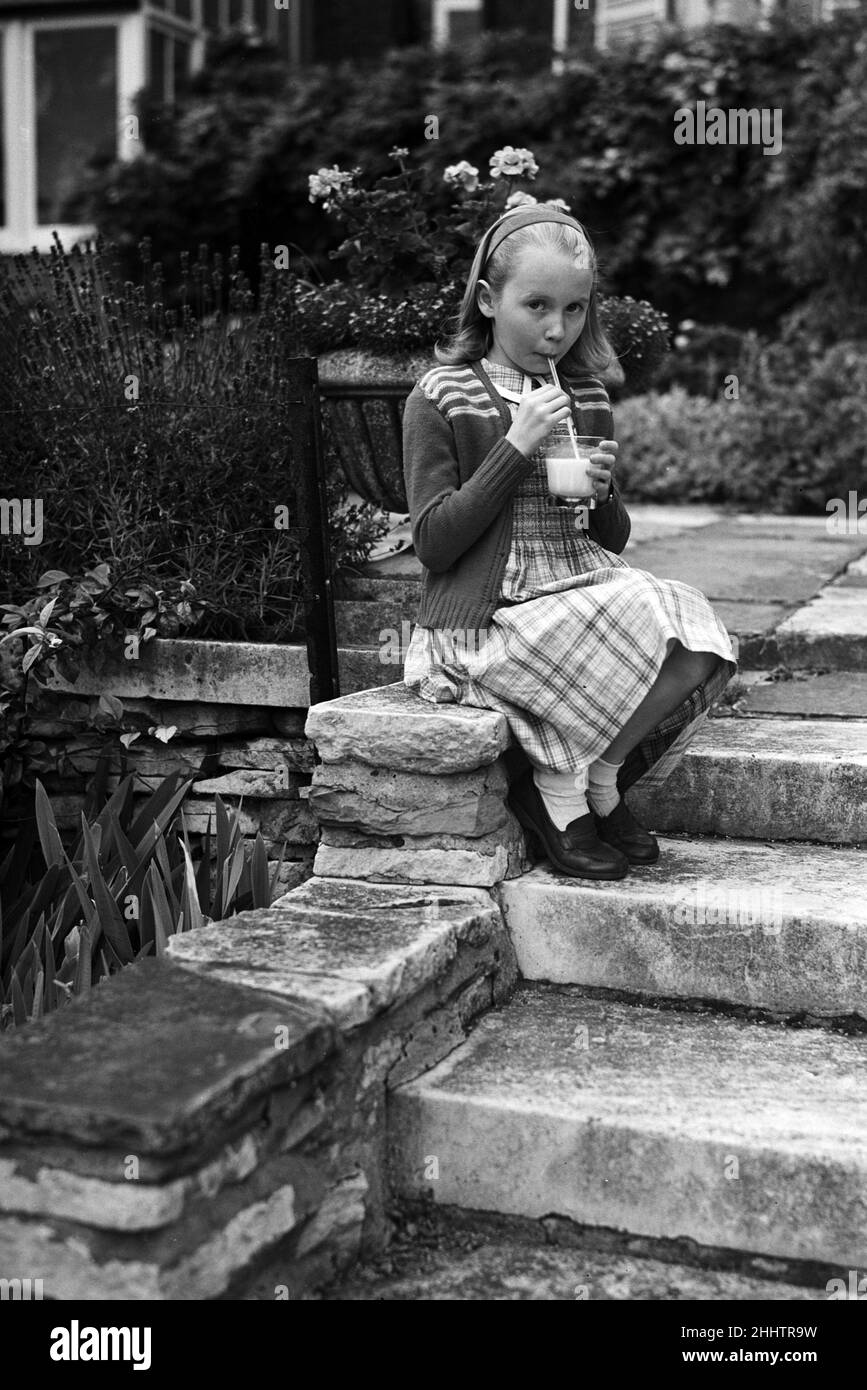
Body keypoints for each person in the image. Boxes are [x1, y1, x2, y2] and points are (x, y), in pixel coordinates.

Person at [401, 205, 737, 880]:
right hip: (488, 613)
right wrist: (513, 447)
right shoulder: (440, 396)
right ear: (489, 301)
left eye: (574, 309)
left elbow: (609, 538)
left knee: (694, 631)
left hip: (573, 581)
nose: (556, 330)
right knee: (631, 611)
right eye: (536, 306)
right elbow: (434, 544)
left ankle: (602, 779)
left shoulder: (581, 392)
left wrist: (605, 493)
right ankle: (556, 795)